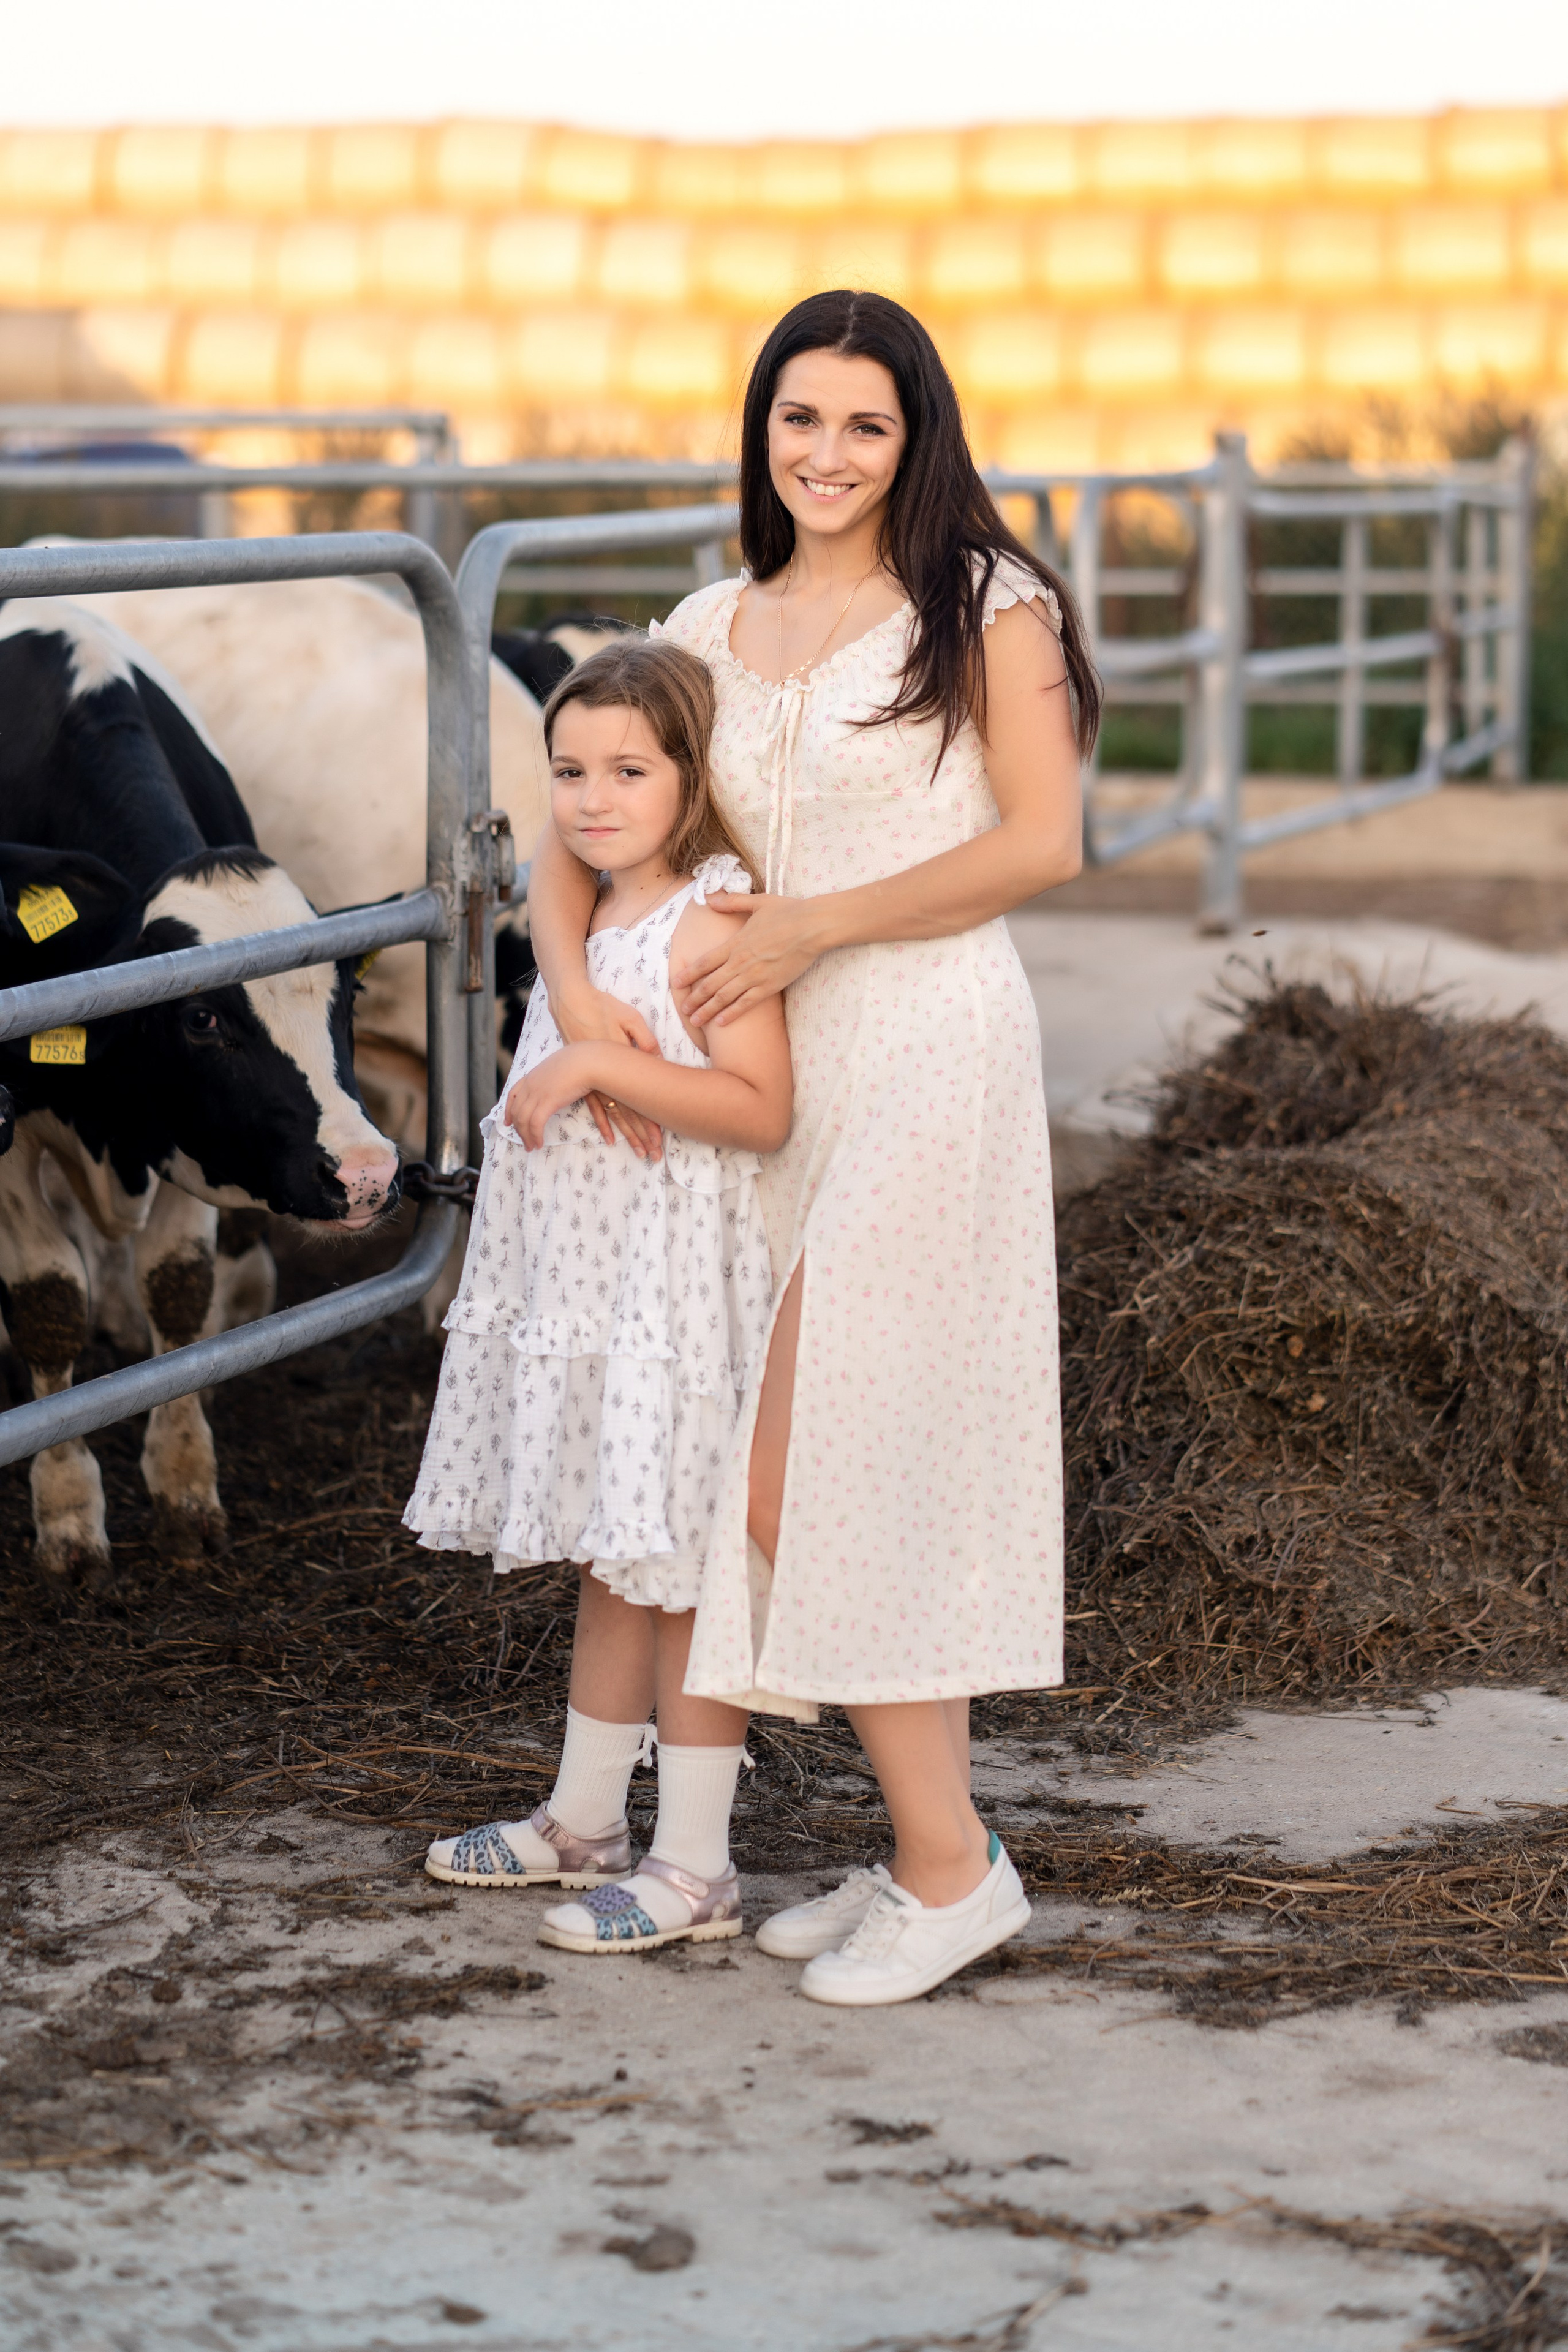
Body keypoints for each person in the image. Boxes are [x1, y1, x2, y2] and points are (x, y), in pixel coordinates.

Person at [527, 289, 1098, 2007]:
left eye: (865, 422)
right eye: (799, 419)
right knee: (777, 1464)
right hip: (760, 1080)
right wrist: (578, 1004)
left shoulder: (987, 604)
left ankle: (947, 1872)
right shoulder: (710, 619)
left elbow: (1049, 843)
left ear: (915, 436)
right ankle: (945, 1850)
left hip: (927, 1051)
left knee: (816, 1462)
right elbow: (589, 816)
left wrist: (807, 930)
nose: (828, 455)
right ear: (761, 430)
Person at [405, 638, 792, 1956]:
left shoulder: (709, 920)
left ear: (693, 777)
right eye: (569, 770)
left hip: (668, 1297)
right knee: (611, 1557)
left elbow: (758, 1107)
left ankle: (696, 1866)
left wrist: (592, 1074)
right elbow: (556, 908)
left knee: (681, 1571)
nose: (589, 797)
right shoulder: (597, 914)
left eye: (628, 769)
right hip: (587, 1279)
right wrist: (573, 1029)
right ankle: (582, 1819)